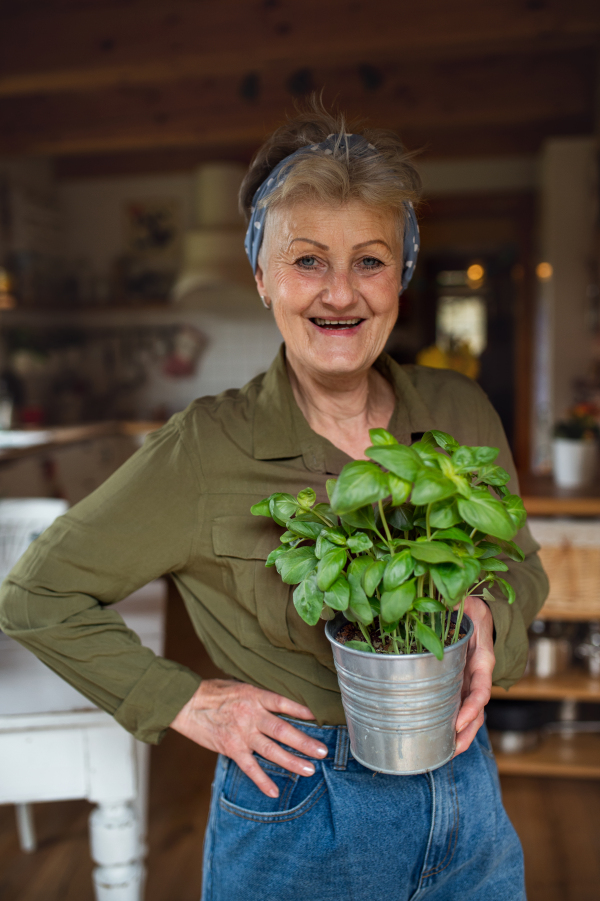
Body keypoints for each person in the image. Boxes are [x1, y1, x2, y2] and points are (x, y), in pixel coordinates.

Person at [0, 104, 548, 901]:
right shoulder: (204, 446)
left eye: (369, 260)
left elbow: (521, 566)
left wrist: (490, 614)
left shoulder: (460, 414)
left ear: (400, 277)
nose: (340, 292)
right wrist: (188, 700)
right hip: (298, 817)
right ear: (262, 276)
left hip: (465, 796)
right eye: (307, 259)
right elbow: (36, 593)